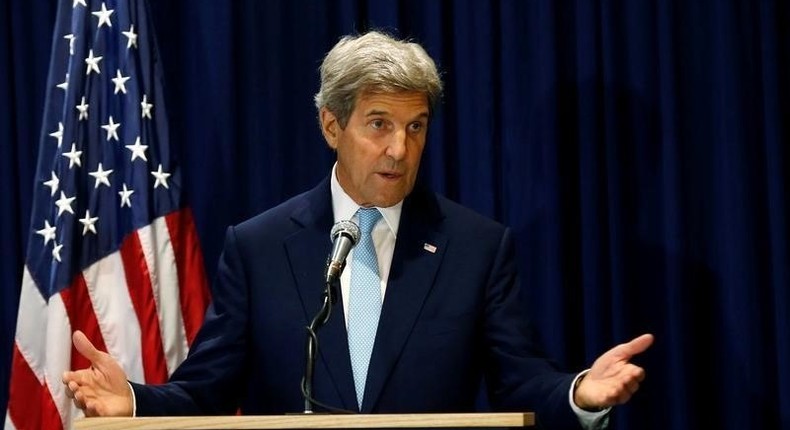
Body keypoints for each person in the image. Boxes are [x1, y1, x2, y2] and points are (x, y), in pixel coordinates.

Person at [62, 30, 654, 429]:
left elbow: (520, 382)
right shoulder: (259, 247)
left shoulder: (476, 247)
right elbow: (207, 391)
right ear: (330, 125)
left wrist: (578, 395)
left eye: (416, 127)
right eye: (379, 124)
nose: (400, 148)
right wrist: (134, 401)